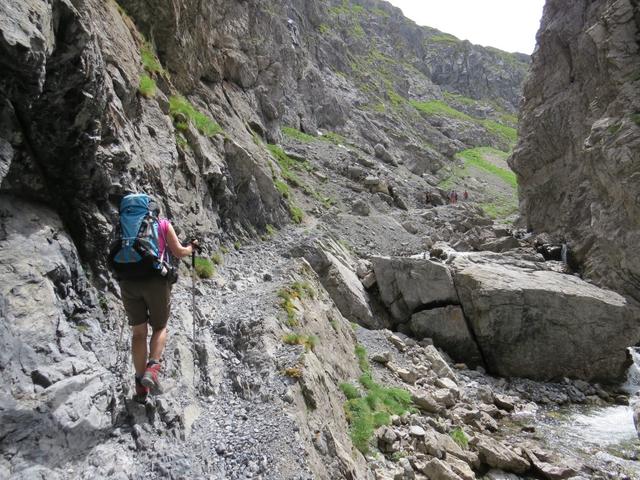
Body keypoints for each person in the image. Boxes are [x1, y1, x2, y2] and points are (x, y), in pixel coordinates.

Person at [117, 203, 198, 402]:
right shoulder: (161, 224)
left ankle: (140, 386)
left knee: (138, 333)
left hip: (127, 281)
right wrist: (192, 247)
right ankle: (152, 368)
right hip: (155, 281)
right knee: (160, 327)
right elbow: (178, 252)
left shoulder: (122, 225)